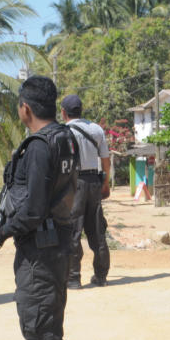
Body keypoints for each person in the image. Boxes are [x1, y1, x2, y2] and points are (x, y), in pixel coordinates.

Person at [0, 75, 78, 340]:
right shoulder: (65, 136)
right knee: (41, 315)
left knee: (39, 319)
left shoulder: (40, 145)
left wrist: (1, 233)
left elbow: (34, 209)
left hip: (41, 246)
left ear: (25, 108)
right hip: (56, 240)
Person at [60, 94, 111, 289]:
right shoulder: (96, 129)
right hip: (94, 182)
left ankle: (73, 278)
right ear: (81, 110)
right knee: (97, 229)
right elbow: (105, 160)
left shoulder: (64, 131)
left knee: (73, 230)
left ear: (64, 112)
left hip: (74, 183)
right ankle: (101, 276)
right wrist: (105, 183)